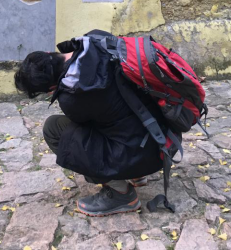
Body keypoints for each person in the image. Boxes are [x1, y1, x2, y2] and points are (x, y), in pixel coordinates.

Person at [14, 30, 170, 217]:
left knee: (54, 128)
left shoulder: (73, 96)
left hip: (144, 154)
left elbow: (87, 129)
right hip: (164, 140)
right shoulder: (96, 39)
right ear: (49, 53)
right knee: (115, 115)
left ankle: (121, 194)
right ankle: (136, 174)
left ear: (50, 89)